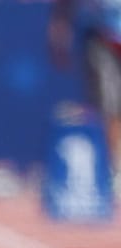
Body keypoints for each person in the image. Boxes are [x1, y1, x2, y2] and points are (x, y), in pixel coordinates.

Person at [52, 0, 121, 181]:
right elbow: (63, 6)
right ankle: (117, 169)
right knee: (110, 105)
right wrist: (59, 32)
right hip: (103, 37)